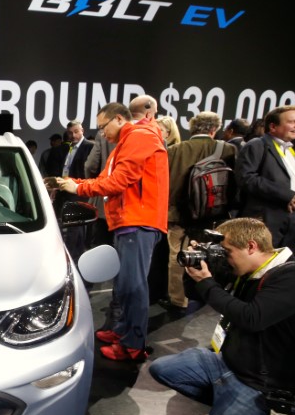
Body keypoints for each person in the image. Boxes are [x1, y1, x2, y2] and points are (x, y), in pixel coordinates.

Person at [149, 218, 295, 415]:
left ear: (251, 246)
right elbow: (194, 294)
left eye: (227, 252)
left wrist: (207, 282)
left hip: (260, 383)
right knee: (161, 369)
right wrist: (198, 268)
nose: (225, 258)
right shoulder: (245, 269)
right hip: (228, 363)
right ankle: (227, 410)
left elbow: (251, 318)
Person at [55, 102, 169, 361]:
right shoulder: (126, 142)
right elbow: (106, 178)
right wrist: (73, 183)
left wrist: (78, 189)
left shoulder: (140, 137)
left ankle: (133, 345)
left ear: (119, 119)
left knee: (133, 285)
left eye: (103, 126)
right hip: (127, 220)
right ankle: (122, 331)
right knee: (124, 284)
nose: (102, 133)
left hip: (138, 221)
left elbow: (119, 181)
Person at [165, 112, 236, 316]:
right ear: (214, 129)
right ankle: (210, 294)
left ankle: (179, 300)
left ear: (192, 128)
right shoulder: (228, 149)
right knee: (213, 254)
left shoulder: (175, 151)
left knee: (178, 256)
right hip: (215, 216)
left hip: (179, 216)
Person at [236, 105, 295, 255]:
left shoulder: (290, 150)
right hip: (267, 220)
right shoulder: (257, 145)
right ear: (273, 126)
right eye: (292, 121)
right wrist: (286, 194)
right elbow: (246, 178)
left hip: (293, 219)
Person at [54, 120, 94, 263]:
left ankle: (69, 260)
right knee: (73, 230)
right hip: (65, 191)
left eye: (76, 132)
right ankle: (75, 259)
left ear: (82, 130)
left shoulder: (90, 147)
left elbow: (92, 171)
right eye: (70, 133)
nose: (73, 135)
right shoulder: (68, 148)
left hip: (80, 192)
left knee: (74, 230)